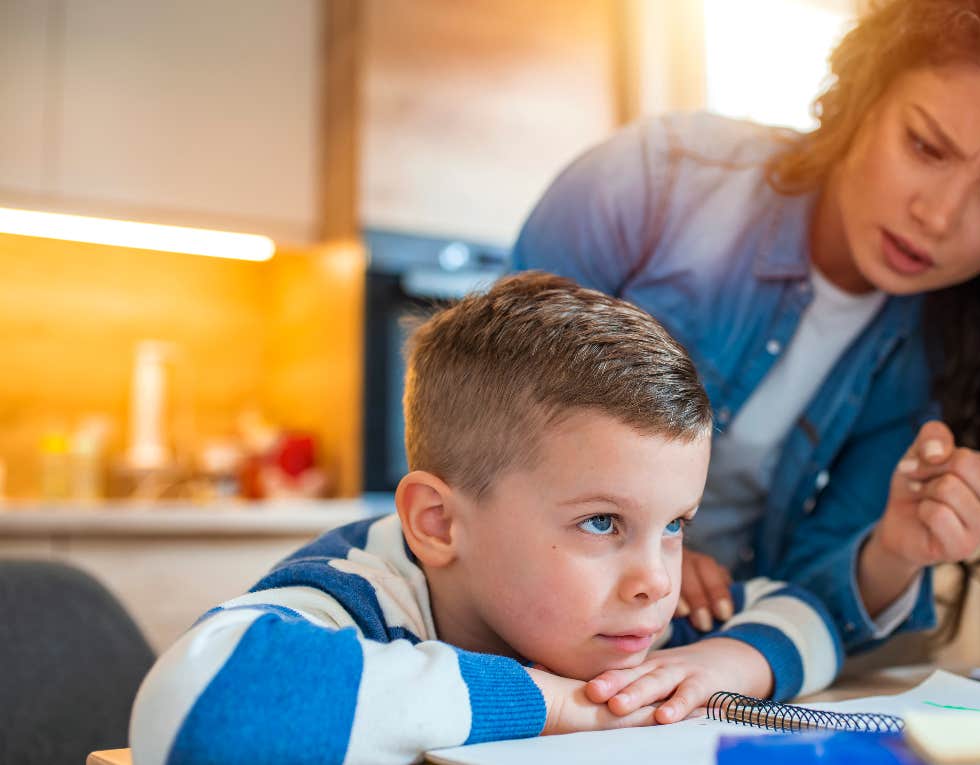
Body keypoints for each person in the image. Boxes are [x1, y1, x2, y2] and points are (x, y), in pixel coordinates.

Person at [512, 0, 980, 656]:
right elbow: (480, 432)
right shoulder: (650, 183)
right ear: (866, 96)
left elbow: (818, 589)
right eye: (926, 147)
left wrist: (899, 551)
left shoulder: (942, 351)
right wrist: (646, 556)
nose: (938, 216)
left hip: (703, 671)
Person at [129, 273, 843, 764]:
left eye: (676, 523)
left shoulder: (628, 612)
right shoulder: (361, 592)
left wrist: (724, 661)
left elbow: (804, 612)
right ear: (438, 523)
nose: (655, 581)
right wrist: (553, 703)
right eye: (602, 523)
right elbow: (192, 704)